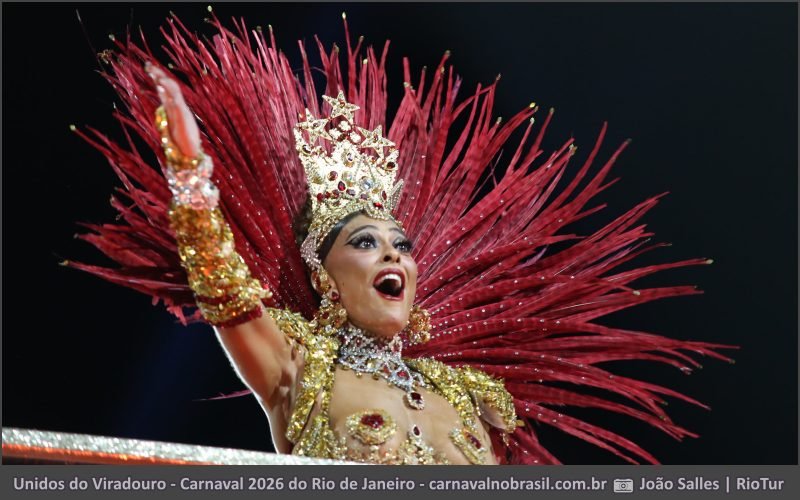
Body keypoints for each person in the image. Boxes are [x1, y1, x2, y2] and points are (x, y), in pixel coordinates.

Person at [69, 13, 733, 464]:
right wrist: (189, 171)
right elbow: (220, 278)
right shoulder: (299, 370)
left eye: (401, 245)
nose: (393, 253)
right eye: (365, 243)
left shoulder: (472, 395)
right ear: (323, 277)